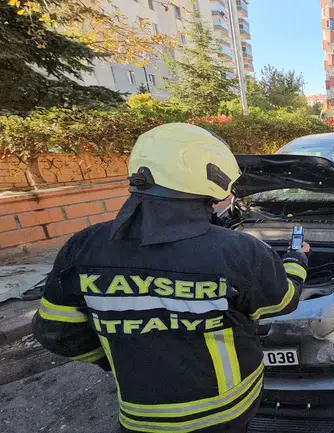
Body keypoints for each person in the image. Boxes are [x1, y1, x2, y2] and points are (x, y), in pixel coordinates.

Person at [33, 123, 310, 433]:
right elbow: (282, 301)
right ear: (210, 172)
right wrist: (296, 260)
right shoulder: (239, 251)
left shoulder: (84, 247)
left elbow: (55, 332)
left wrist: (118, 358)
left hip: (140, 418)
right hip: (225, 412)